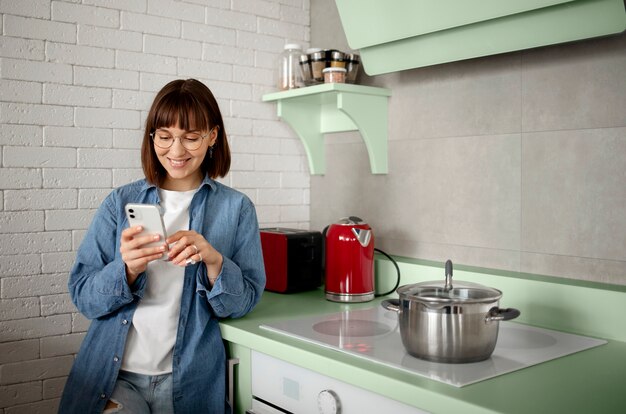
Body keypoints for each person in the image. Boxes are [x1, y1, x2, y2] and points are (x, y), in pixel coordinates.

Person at [59, 79, 266, 413]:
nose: (177, 151)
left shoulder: (236, 209)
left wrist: (214, 261)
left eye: (191, 137)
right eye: (165, 136)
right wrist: (126, 271)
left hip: (191, 379)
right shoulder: (120, 202)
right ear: (152, 136)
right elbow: (84, 296)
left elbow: (241, 304)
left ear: (212, 136)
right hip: (114, 376)